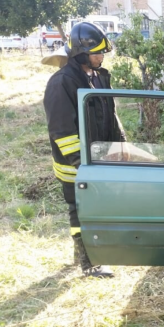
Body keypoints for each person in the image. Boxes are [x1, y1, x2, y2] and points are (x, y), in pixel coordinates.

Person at [43, 21, 126, 278]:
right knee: (79, 211)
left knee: (96, 208)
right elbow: (61, 130)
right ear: (80, 53)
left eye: (102, 52)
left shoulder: (99, 76)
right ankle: (88, 264)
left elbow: (110, 114)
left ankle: (86, 253)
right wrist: (82, 164)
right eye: (96, 52)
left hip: (98, 158)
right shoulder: (61, 83)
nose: (101, 56)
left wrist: (121, 144)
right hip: (74, 164)